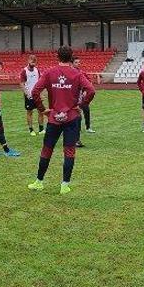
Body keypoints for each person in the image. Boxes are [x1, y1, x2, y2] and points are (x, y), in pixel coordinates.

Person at [27, 46, 96, 194]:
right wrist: (81, 105)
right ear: (71, 57)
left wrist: (42, 109)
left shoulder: (49, 72)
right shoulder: (77, 74)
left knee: (47, 150)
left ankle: (39, 182)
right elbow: (91, 90)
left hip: (54, 118)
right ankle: (64, 185)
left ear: (57, 56)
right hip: (72, 117)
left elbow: (35, 91)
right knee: (69, 151)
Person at [19, 54, 44, 136]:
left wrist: (41, 93)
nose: (33, 63)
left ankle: (41, 129)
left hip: (37, 95)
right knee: (30, 112)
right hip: (29, 95)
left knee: (41, 111)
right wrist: (27, 94)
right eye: (32, 61)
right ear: (28, 61)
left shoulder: (37, 70)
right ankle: (31, 129)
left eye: (34, 62)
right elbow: (22, 84)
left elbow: (40, 82)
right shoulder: (24, 71)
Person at [72, 56, 94, 147]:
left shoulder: (82, 72)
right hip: (72, 99)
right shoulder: (70, 72)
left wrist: (85, 91)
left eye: (79, 62)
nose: (78, 64)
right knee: (75, 117)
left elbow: (89, 83)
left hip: (81, 98)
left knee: (84, 112)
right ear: (72, 63)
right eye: (76, 62)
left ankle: (87, 128)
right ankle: (75, 138)